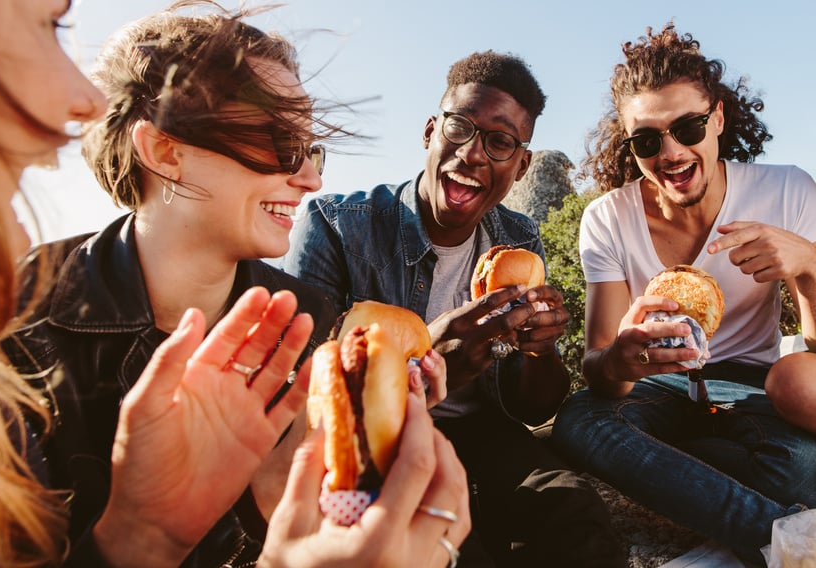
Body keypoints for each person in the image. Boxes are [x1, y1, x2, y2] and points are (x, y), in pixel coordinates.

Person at [0, 0, 467, 566]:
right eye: (281, 141)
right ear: (165, 151)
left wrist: (365, 453)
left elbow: (305, 522)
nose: (310, 178)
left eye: (312, 150)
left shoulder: (309, 324)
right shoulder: (15, 331)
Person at [284, 50, 625, 567]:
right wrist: (425, 358)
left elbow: (536, 409)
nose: (473, 154)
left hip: (485, 433)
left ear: (521, 164)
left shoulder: (519, 240)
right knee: (453, 553)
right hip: (378, 445)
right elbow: (302, 389)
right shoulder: (336, 226)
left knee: (580, 524)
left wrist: (540, 351)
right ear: (430, 132)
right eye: (460, 128)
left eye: (500, 141)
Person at [550, 22, 816, 564]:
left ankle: (682, 472)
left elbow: (813, 348)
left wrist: (809, 265)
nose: (670, 152)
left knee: (800, 466)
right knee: (580, 421)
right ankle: (779, 540)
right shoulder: (608, 218)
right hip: (657, 388)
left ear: (716, 117)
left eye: (688, 127)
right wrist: (622, 357)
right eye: (647, 139)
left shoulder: (787, 190)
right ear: (630, 145)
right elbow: (596, 366)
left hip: (752, 385)